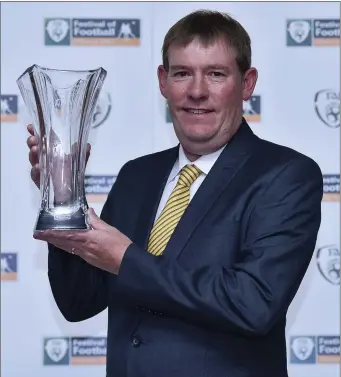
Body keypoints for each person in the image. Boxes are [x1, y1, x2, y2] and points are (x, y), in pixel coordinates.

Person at [26, 10, 323, 377]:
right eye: (182, 73)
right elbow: (78, 301)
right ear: (163, 81)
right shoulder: (137, 175)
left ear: (247, 84)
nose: (197, 91)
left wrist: (126, 258)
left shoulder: (286, 175)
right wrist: (64, 196)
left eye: (216, 74)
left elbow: (254, 304)